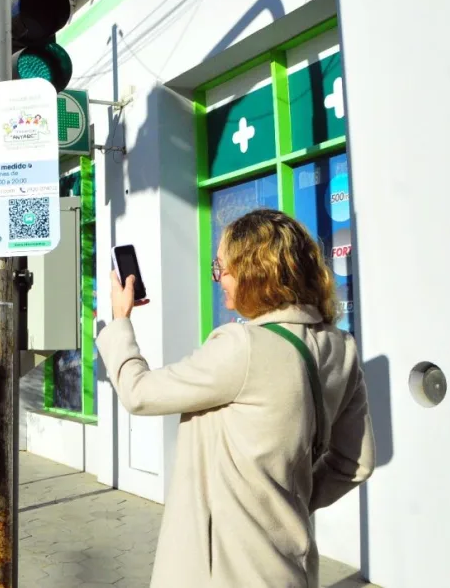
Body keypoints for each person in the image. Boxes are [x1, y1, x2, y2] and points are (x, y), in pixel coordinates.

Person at [96, 208, 375, 588]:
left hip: (226, 573)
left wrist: (120, 321)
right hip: (292, 567)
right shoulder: (342, 348)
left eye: (223, 268)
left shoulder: (242, 346)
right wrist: (285, 503)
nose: (218, 279)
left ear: (256, 272)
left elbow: (138, 393)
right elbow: (354, 462)